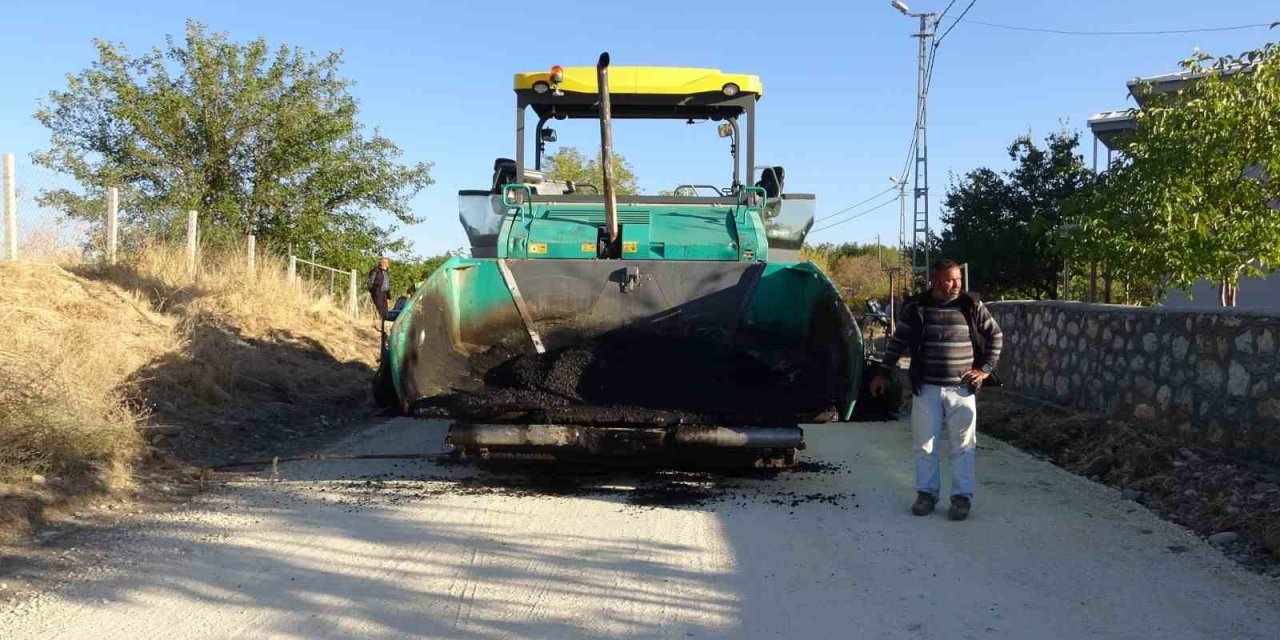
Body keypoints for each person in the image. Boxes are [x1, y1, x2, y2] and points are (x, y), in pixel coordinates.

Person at [870, 259, 1003, 521]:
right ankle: (926, 495)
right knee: (925, 445)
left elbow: (995, 335)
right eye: (950, 279)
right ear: (934, 280)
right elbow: (898, 342)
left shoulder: (971, 305)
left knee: (963, 446)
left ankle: (962, 498)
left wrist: (985, 369)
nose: (956, 284)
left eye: (958, 279)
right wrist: (882, 373)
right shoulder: (917, 307)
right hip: (927, 388)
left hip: (962, 390)